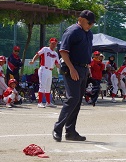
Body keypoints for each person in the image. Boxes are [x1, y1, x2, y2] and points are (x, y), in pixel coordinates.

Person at [52, 10, 95, 142]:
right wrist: (72, 69)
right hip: (71, 68)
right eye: (89, 23)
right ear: (81, 19)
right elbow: (63, 52)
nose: (91, 26)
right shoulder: (72, 31)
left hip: (82, 68)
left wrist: (87, 68)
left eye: (92, 23)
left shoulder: (89, 34)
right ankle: (57, 129)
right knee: (73, 98)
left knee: (77, 100)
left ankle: (70, 132)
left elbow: (85, 52)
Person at [29, 38, 60, 108]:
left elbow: (57, 63)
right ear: (50, 43)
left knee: (48, 87)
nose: (53, 45)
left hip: (50, 71)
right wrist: (33, 60)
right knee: (42, 85)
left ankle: (48, 102)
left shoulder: (55, 54)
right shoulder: (45, 49)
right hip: (44, 69)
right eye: (52, 43)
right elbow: (38, 54)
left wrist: (60, 67)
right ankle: (39, 102)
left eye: (55, 44)